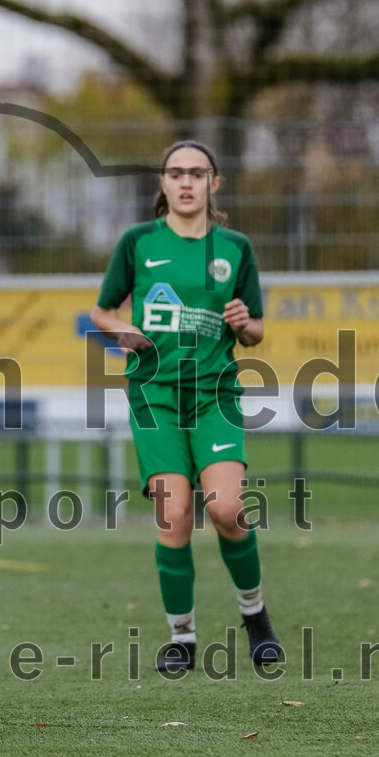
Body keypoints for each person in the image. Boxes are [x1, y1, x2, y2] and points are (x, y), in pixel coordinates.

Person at [90, 140, 282, 674]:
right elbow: (102, 312)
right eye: (176, 173)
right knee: (173, 515)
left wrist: (246, 324)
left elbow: (257, 331)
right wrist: (124, 331)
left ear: (213, 184)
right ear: (163, 184)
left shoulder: (236, 248)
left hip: (215, 393)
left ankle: (255, 614)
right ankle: (183, 637)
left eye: (198, 173)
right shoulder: (138, 243)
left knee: (225, 509)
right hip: (155, 396)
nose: (186, 182)